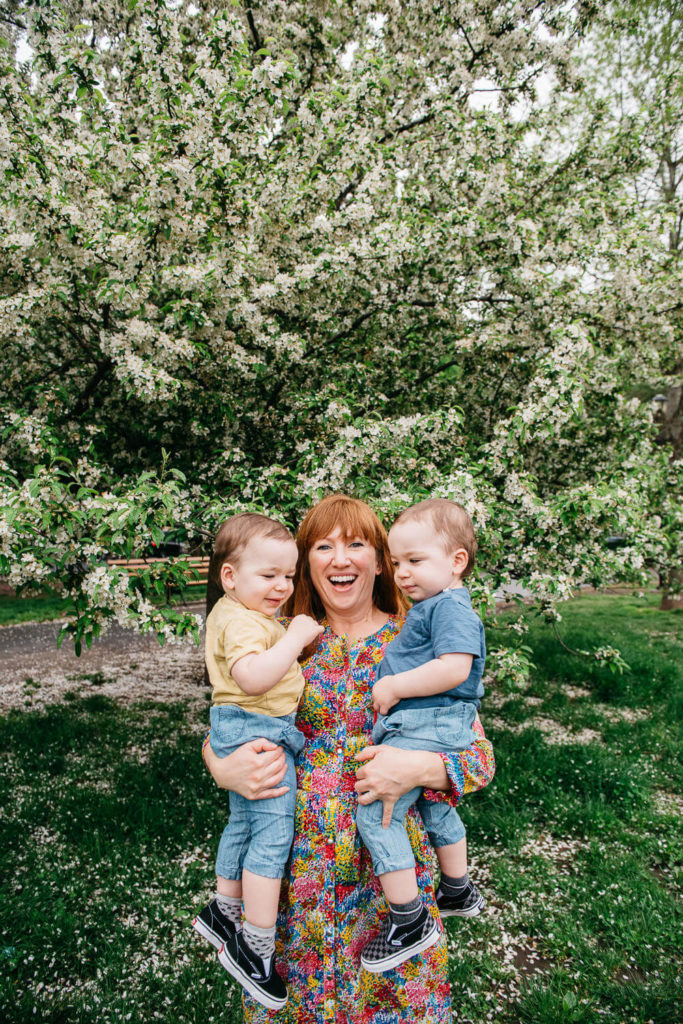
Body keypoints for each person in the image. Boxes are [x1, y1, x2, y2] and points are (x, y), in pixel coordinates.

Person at [203, 495, 496, 1024]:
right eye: (323, 546)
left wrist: (418, 770)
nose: (340, 559)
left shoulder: (421, 637)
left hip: (387, 887)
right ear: (304, 562)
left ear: (380, 560)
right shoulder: (282, 640)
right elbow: (227, 723)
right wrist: (219, 767)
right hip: (296, 884)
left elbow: (479, 758)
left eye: (356, 544)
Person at [193, 512, 323, 1010]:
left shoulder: (240, 615)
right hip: (259, 730)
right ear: (230, 576)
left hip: (241, 727)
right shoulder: (245, 621)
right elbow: (250, 678)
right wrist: (294, 640)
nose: (283, 587)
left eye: (289, 576)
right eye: (269, 576)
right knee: (271, 834)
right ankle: (254, 945)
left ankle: (223, 909)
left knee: (244, 824)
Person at [356, 498, 488, 974]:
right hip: (433, 723)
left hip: (428, 722)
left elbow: (455, 668)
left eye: (415, 560)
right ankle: (456, 887)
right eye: (395, 562)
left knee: (376, 813)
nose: (403, 573)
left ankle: (410, 919)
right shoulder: (436, 605)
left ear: (457, 562)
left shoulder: (449, 607)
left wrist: (393, 685)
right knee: (435, 806)